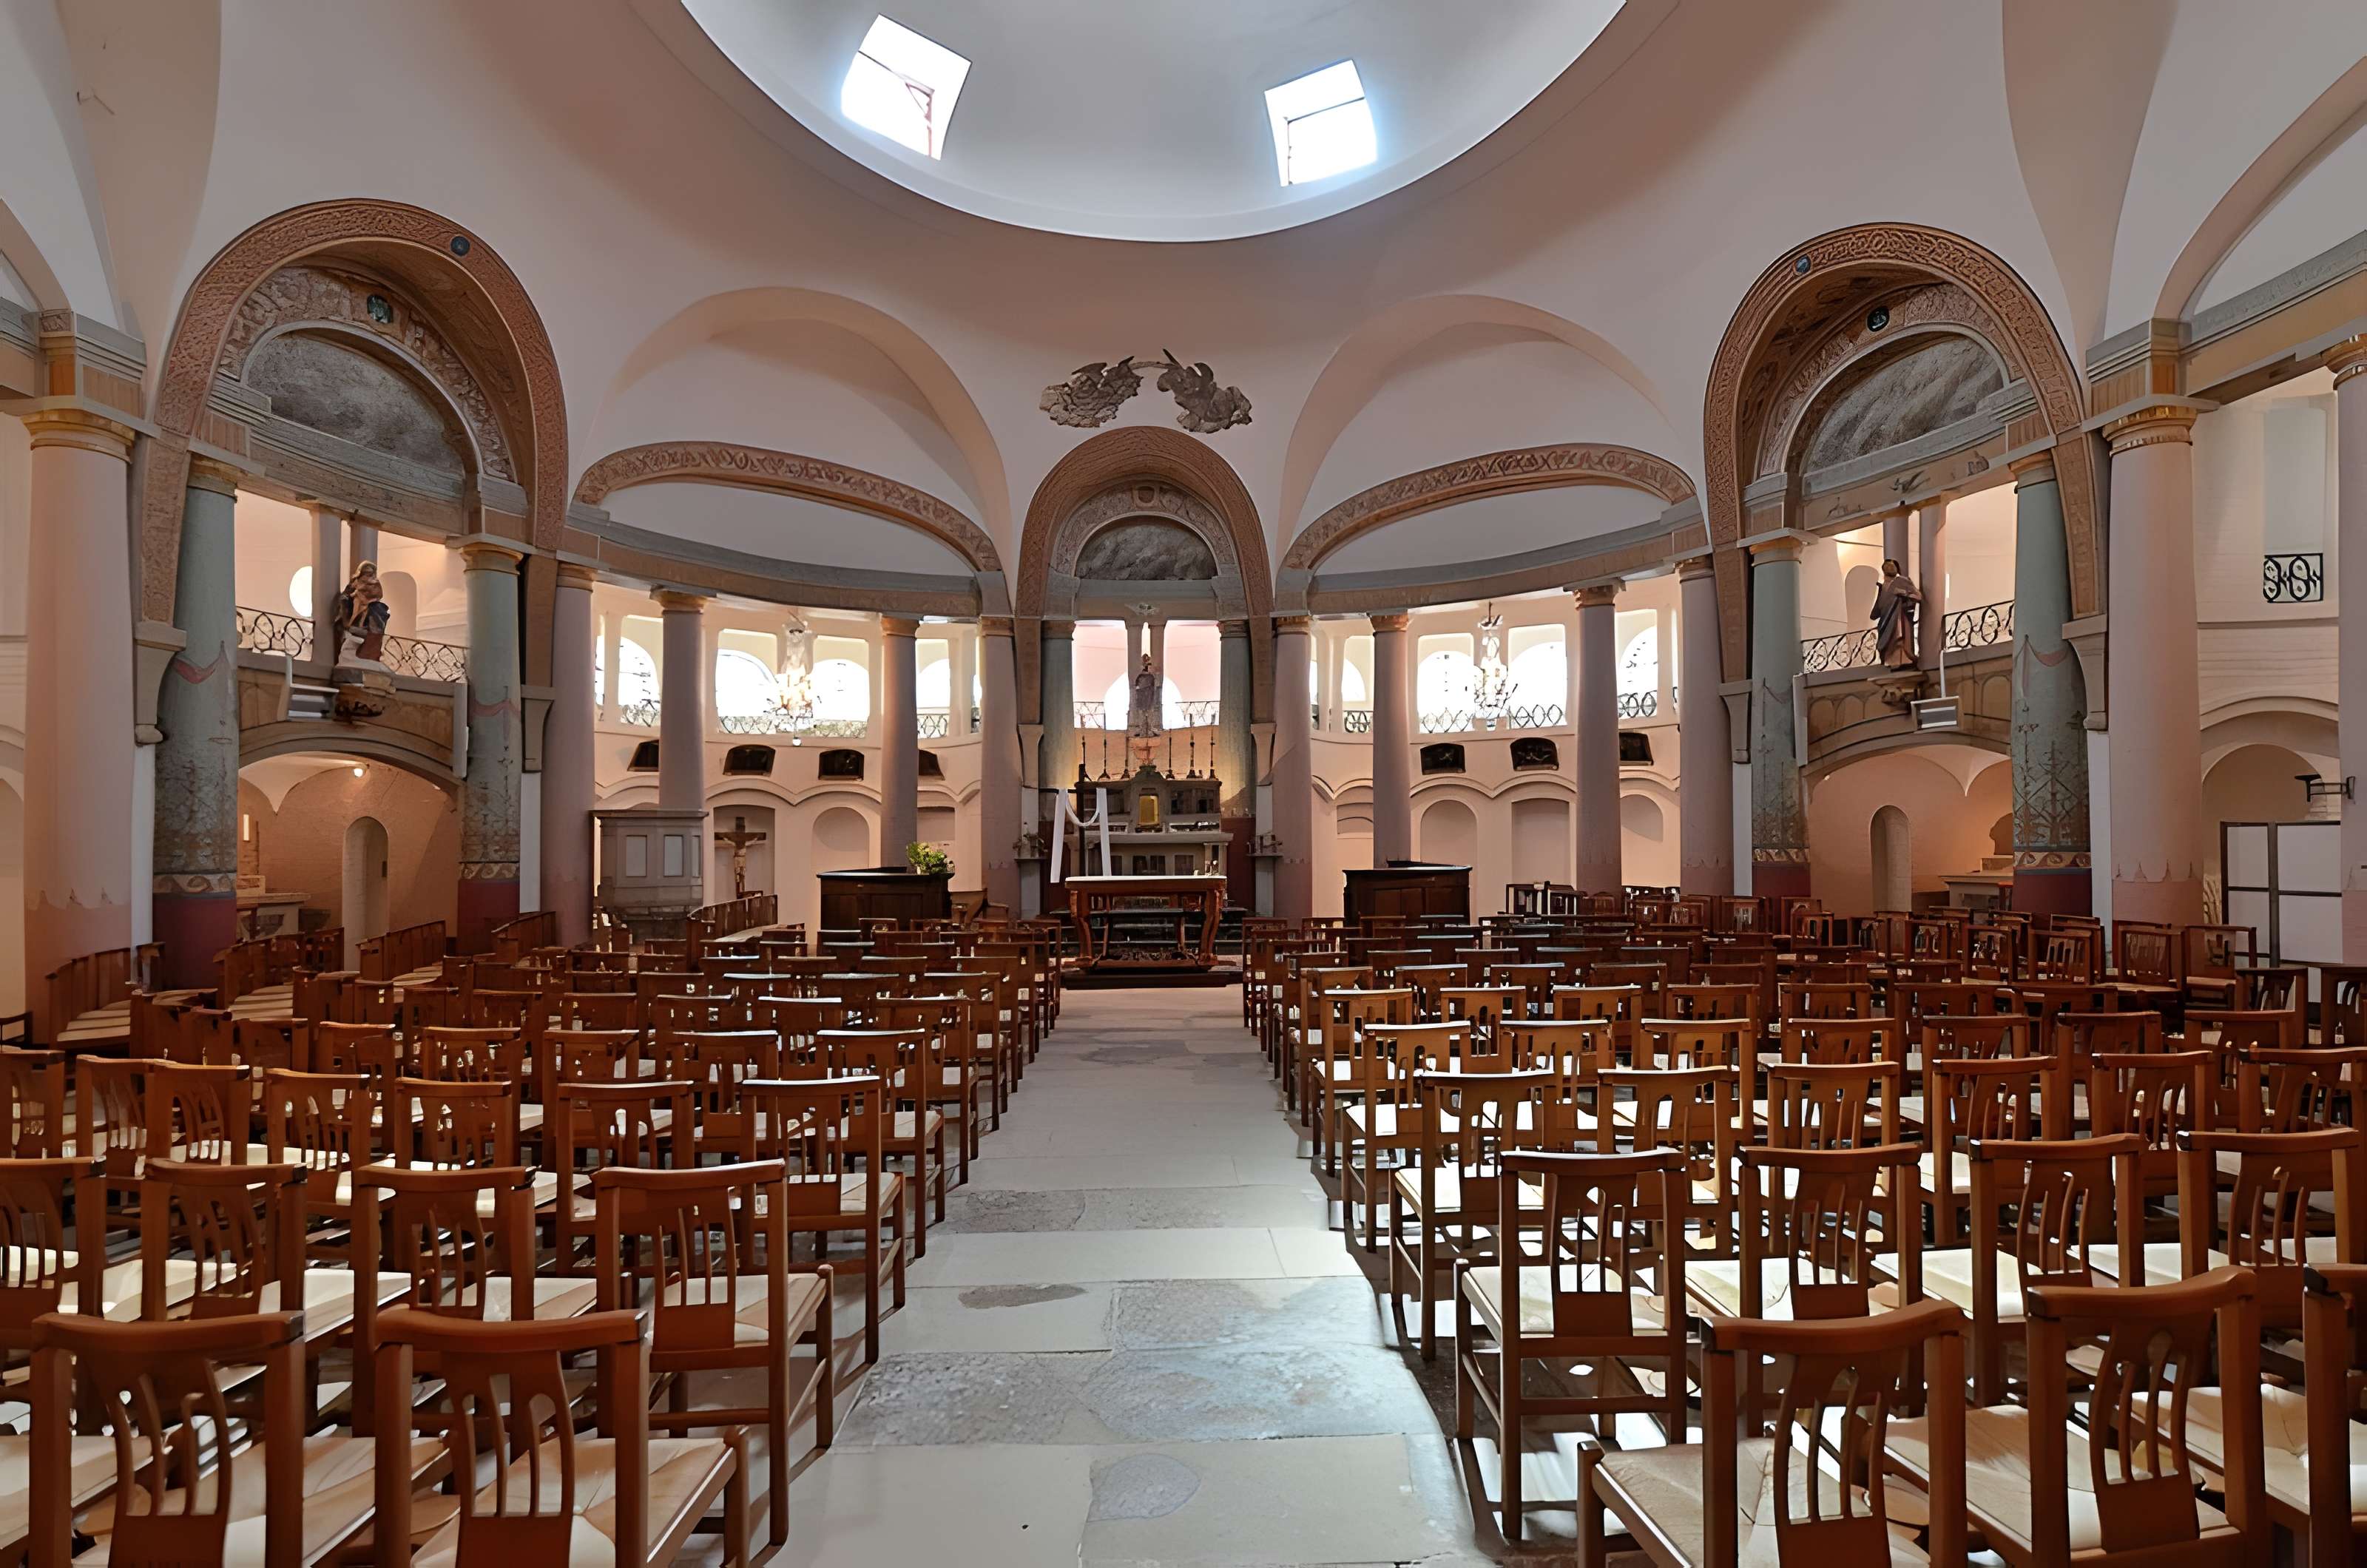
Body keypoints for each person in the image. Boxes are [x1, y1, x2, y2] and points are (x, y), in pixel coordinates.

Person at [332, 560, 391, 663]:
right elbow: (348, 593)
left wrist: (365, 596)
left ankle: (364, 631)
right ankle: (353, 625)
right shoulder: (354, 585)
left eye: (370, 574)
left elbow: (377, 594)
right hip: (357, 605)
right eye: (367, 573)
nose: (369, 576)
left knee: (377, 611)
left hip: (366, 607)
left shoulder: (374, 585)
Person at [1871, 556, 1920, 669]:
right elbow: (1878, 610)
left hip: (1898, 618)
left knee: (1899, 641)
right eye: (1887, 566)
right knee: (1887, 643)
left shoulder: (1902, 581)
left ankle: (1903, 661)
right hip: (1885, 622)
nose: (1889, 568)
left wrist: (1903, 593)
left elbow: (1919, 597)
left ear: (1897, 569)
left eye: (1892, 566)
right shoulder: (1882, 587)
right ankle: (1891, 662)